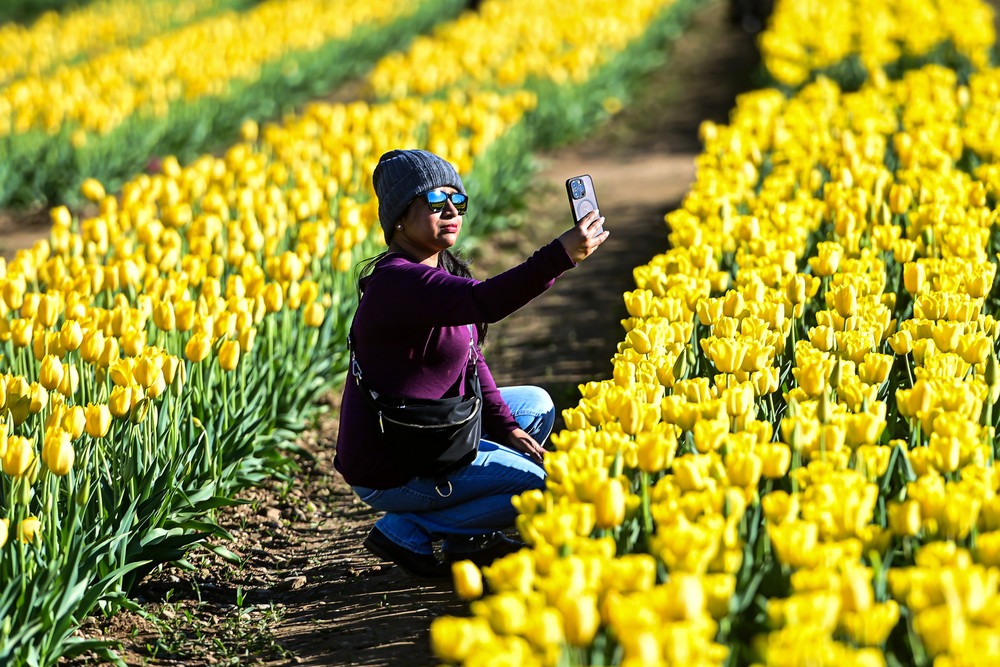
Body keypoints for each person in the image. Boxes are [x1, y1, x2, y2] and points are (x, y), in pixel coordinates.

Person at [333, 149, 608, 579]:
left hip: (427, 432)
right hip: (391, 462)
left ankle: (465, 539)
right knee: (539, 488)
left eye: (458, 201)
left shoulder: (435, 272)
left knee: (533, 406)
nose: (451, 211)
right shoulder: (400, 282)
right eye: (436, 201)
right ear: (400, 217)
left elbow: (471, 361)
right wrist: (561, 254)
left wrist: (509, 428)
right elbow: (486, 302)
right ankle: (406, 528)